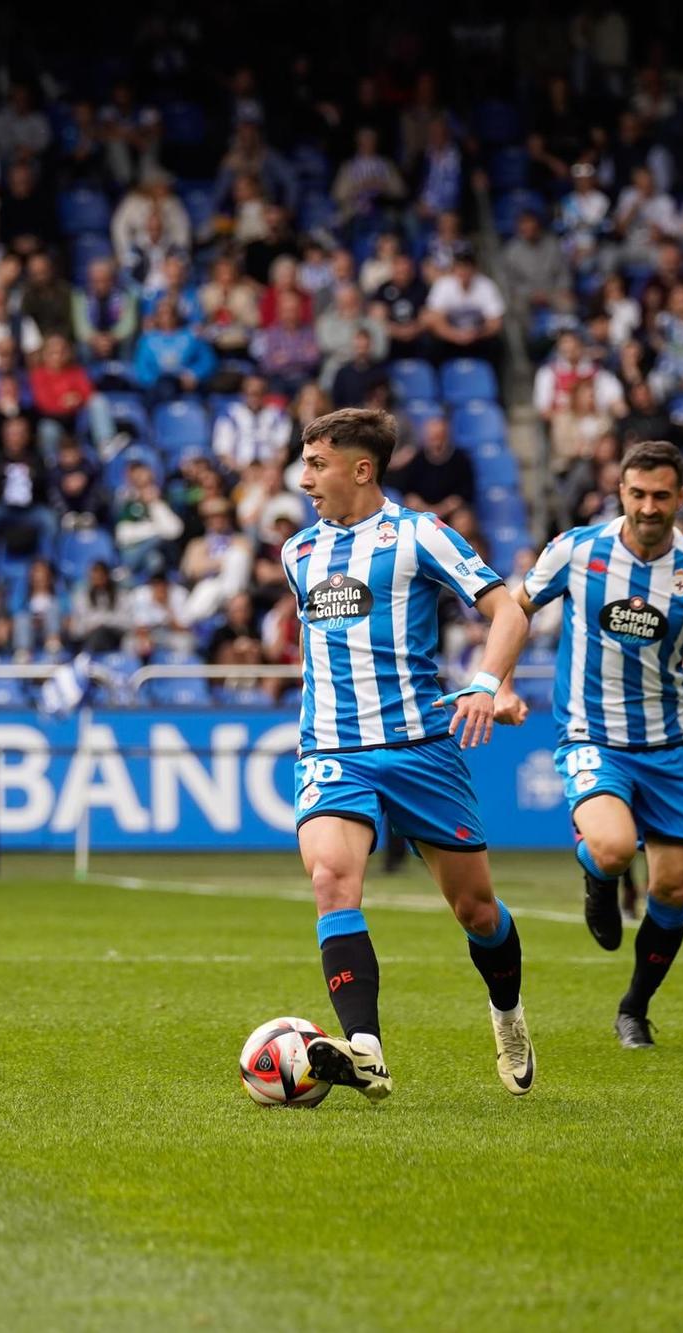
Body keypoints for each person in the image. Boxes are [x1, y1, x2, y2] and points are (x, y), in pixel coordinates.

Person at [282, 407, 534, 1101]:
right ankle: (365, 1048)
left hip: (421, 748)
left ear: (361, 469)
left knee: (477, 911)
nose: (304, 479)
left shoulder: (420, 535)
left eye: (316, 465)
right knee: (332, 877)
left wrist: (488, 685)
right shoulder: (297, 553)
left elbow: (508, 609)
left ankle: (508, 1013)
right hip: (332, 748)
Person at [514, 440, 683, 1050]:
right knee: (614, 847)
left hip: (671, 744)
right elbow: (515, 609)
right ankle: (599, 877)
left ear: (681, 498)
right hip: (593, 735)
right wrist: (497, 681)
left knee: (673, 888)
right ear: (621, 492)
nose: (648, 507)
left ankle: (634, 1008)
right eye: (638, 494)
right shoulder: (576, 550)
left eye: (661, 496)